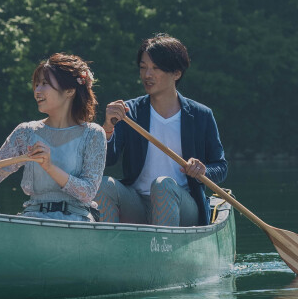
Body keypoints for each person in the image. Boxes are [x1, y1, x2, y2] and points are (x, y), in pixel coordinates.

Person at [0, 53, 106, 221]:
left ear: (70, 91)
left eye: (44, 84)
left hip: (76, 221)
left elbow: (88, 192)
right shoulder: (26, 132)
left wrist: (49, 167)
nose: (37, 91)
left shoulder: (93, 134)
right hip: (32, 218)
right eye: (36, 85)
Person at [96, 33, 227, 226]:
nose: (147, 75)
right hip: (137, 204)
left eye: (155, 68)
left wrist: (203, 171)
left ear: (176, 73)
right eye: (143, 68)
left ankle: (164, 250)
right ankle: (107, 251)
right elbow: (107, 160)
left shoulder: (201, 115)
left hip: (182, 205)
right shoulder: (129, 112)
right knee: (104, 185)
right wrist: (107, 127)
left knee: (163, 185)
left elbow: (221, 167)